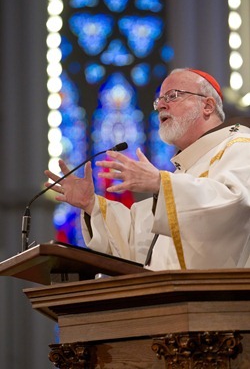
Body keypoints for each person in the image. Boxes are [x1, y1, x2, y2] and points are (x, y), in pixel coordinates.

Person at [45, 68, 250, 271]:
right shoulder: (183, 172)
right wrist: (90, 204)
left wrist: (160, 183)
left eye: (173, 96)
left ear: (207, 105)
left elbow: (234, 205)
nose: (161, 105)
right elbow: (137, 236)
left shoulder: (241, 147)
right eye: (159, 100)